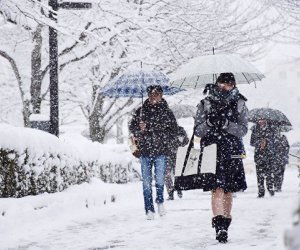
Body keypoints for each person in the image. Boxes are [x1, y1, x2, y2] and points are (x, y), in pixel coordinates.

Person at [194, 72, 248, 243]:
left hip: (232, 150)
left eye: (229, 84)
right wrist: (209, 123)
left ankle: (226, 222)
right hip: (212, 150)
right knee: (216, 188)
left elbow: (243, 130)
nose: (225, 87)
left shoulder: (240, 103)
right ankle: (219, 227)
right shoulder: (205, 103)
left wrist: (226, 124)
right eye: (222, 84)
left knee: (228, 190)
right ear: (216, 84)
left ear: (234, 85)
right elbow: (197, 131)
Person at [129, 85, 178, 220]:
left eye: (156, 94)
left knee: (160, 180)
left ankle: (160, 201)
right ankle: (149, 209)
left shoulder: (167, 112)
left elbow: (173, 131)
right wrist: (140, 129)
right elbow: (132, 129)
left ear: (161, 96)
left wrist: (152, 128)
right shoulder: (140, 112)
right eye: (151, 94)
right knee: (146, 182)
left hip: (161, 151)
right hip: (144, 151)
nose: (153, 97)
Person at [250, 119, 277, 198]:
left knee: (269, 174)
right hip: (259, 156)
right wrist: (259, 143)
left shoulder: (271, 129)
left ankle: (270, 188)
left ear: (266, 120)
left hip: (269, 156)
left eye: (263, 120)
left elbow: (274, 141)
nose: (261, 121)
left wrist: (266, 142)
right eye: (259, 120)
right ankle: (261, 191)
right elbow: (252, 142)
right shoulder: (255, 129)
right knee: (259, 175)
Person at [165, 126, 189, 200]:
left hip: (177, 155)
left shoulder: (180, 129)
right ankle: (171, 192)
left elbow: (186, 141)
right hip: (167, 155)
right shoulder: (164, 130)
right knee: (167, 175)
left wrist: (181, 140)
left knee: (176, 173)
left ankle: (177, 188)